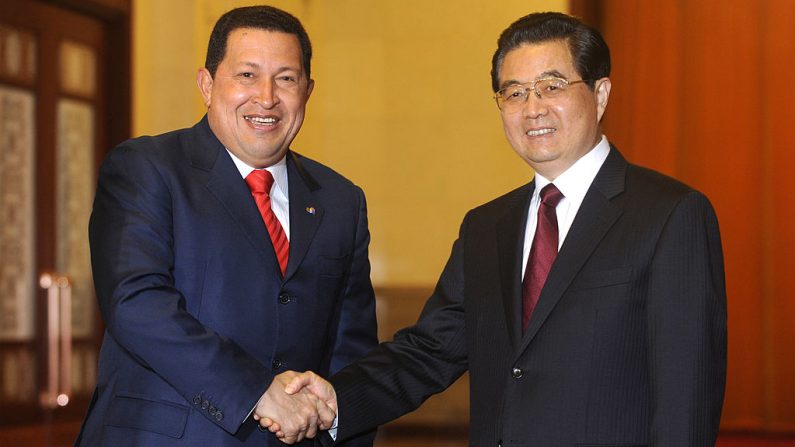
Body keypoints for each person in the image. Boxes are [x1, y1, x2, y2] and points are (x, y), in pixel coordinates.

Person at [267, 11, 728, 447]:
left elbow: (685, 397)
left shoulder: (670, 215)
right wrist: (334, 400)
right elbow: (430, 351)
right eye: (514, 92)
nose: (533, 108)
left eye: (552, 85)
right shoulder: (486, 227)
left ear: (600, 93)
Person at [74, 5, 377, 446]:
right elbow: (136, 302)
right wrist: (255, 393)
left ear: (308, 91)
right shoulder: (147, 168)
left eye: (286, 79)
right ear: (207, 84)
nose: (267, 97)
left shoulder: (340, 199)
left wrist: (339, 426)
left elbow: (352, 349)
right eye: (247, 75)